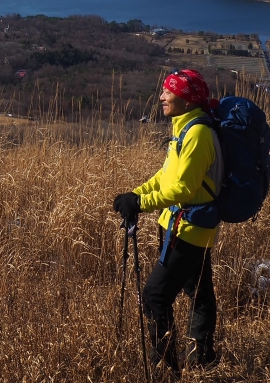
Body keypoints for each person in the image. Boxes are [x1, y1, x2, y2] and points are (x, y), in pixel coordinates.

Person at [113, 68, 222, 371]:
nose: (161, 97)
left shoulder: (198, 133)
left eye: (168, 92)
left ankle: (166, 369)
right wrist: (136, 194)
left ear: (186, 99)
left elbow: (183, 188)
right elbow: (166, 175)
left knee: (155, 296)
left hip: (188, 230)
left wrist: (142, 203)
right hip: (181, 225)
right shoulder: (183, 128)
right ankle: (202, 361)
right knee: (198, 293)